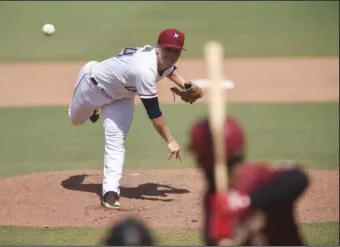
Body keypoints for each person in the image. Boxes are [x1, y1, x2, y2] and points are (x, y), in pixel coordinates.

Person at [68, 28, 203, 209]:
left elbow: (169, 69)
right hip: (92, 86)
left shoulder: (161, 60)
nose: (171, 55)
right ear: (158, 48)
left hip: (122, 96)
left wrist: (185, 85)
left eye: (176, 51)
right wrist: (170, 140)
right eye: (167, 50)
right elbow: (154, 113)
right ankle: (92, 104)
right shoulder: (144, 70)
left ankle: (110, 192)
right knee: (76, 120)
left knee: (115, 141)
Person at [187, 116, 310, 246]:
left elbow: (298, 178)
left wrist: (247, 202)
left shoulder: (257, 175)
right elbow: (211, 239)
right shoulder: (213, 197)